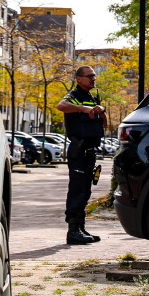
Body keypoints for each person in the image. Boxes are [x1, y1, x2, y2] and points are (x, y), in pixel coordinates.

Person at [56, 66, 108, 245]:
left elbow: (96, 118)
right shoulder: (74, 94)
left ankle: (80, 227)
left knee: (85, 191)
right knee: (77, 190)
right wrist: (84, 109)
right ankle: (72, 231)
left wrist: (101, 112)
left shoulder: (91, 97)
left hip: (90, 151)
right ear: (79, 79)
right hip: (79, 151)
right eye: (89, 76)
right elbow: (61, 106)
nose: (93, 79)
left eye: (94, 76)